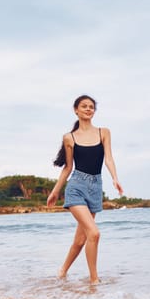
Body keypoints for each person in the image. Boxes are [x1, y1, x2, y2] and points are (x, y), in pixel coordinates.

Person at [47, 95, 123, 284]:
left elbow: (109, 158)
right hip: (76, 187)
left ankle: (62, 272)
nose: (88, 109)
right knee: (94, 233)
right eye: (84, 106)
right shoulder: (69, 138)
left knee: (81, 240)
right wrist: (56, 191)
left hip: (96, 187)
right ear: (76, 110)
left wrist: (115, 178)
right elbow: (68, 167)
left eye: (91, 107)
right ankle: (94, 279)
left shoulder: (103, 132)